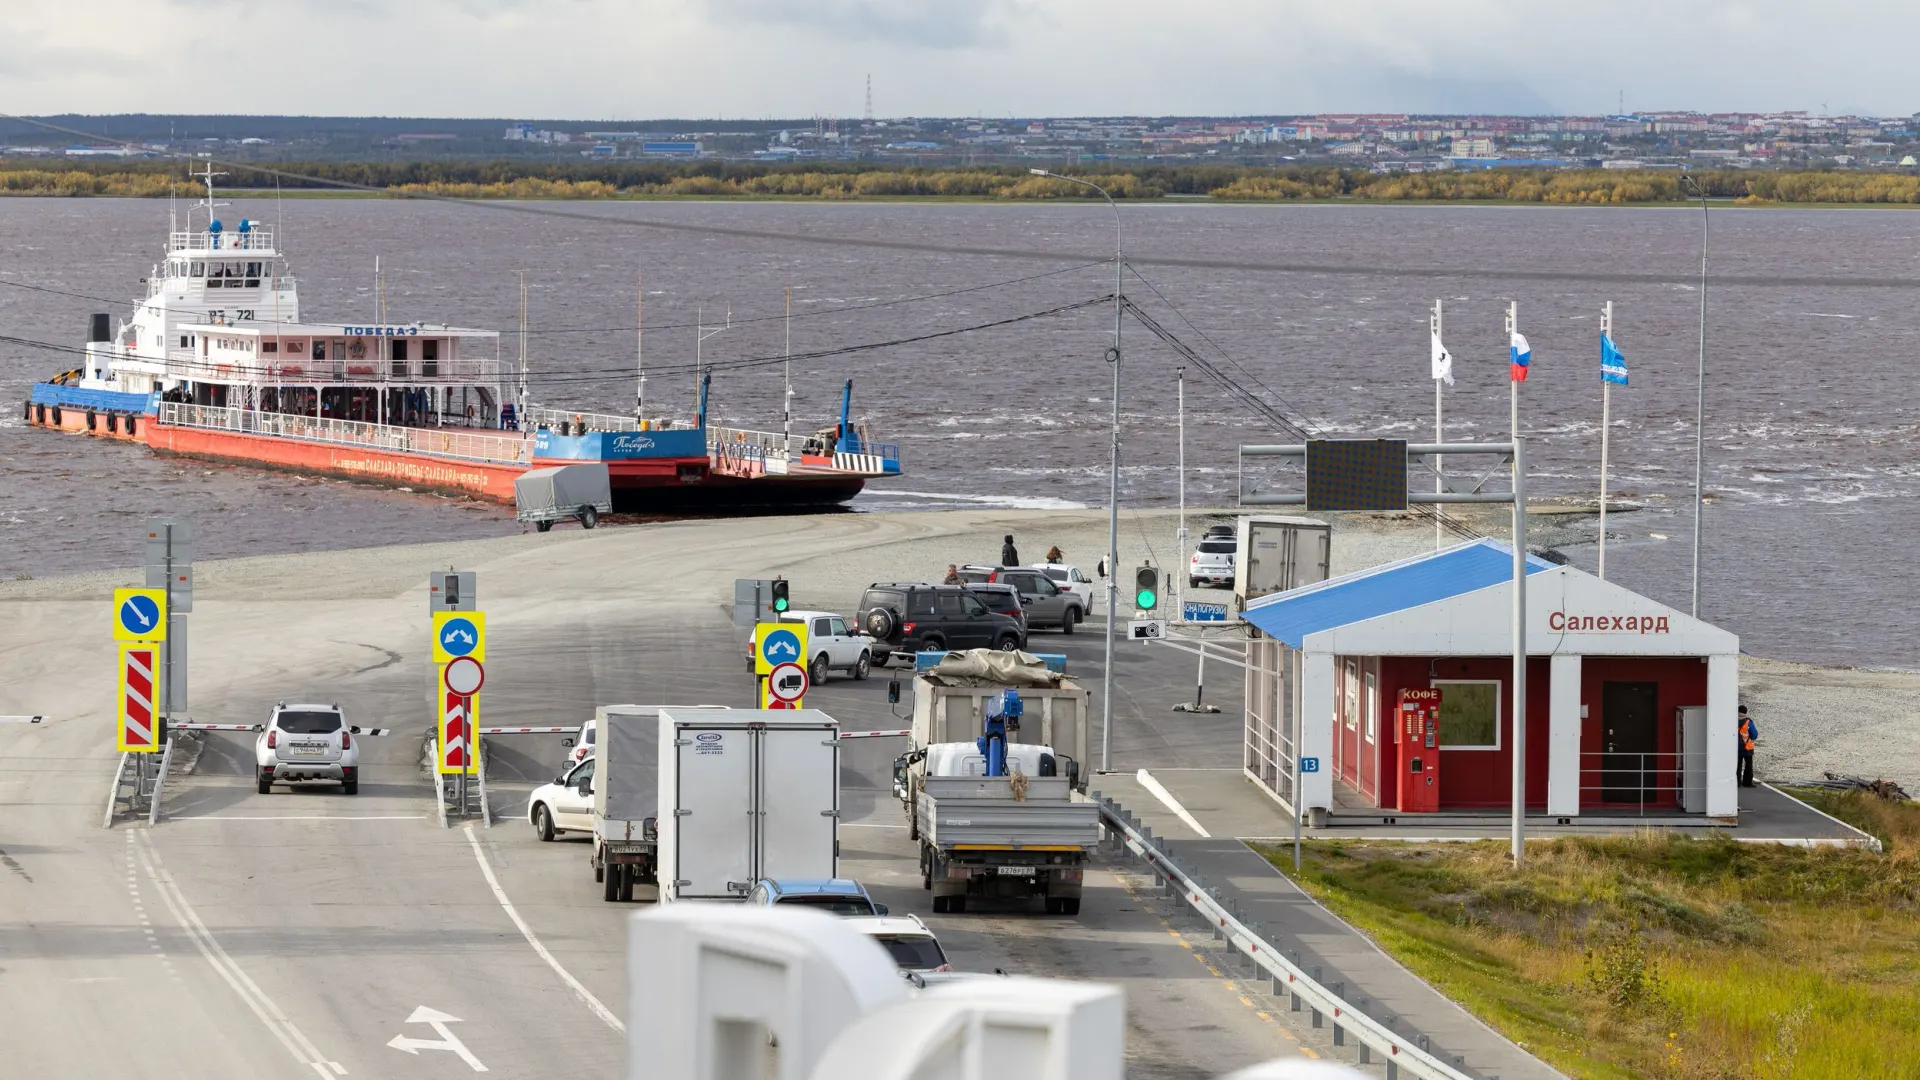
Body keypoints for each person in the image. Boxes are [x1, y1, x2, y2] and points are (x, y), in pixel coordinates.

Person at [1737, 705, 1758, 788]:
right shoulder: (1747, 722)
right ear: (1745, 712)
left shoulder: (1732, 720)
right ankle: (1747, 782)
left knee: (1737, 766)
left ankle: (1737, 783)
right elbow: (1754, 734)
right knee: (1748, 766)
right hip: (1747, 747)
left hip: (1736, 747)